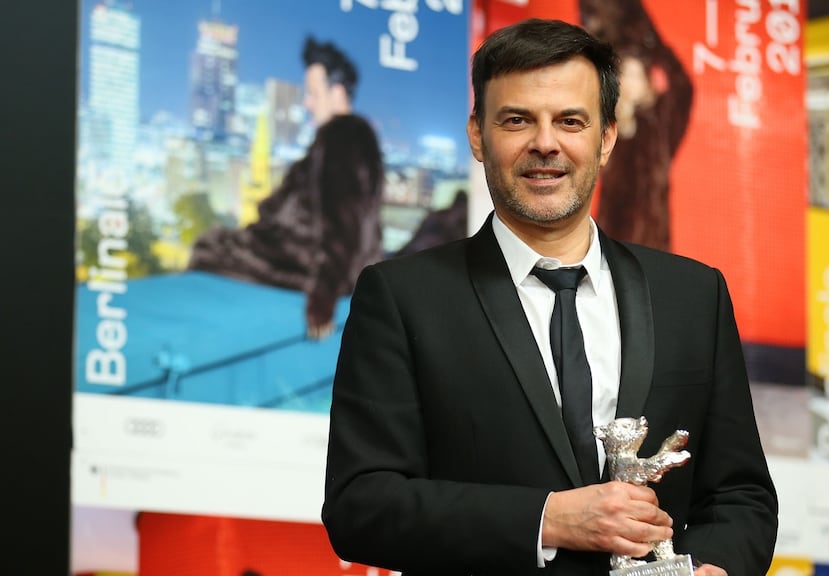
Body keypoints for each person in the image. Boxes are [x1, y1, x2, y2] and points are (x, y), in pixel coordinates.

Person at [322, 19, 777, 576]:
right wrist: (548, 520)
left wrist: (717, 568)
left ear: (606, 138)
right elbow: (360, 506)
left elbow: (742, 496)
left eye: (570, 121)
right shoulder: (400, 298)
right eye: (516, 120)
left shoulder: (693, 295)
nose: (545, 143)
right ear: (477, 135)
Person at [188, 36, 384, 340]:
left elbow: (343, 224)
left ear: (338, 92)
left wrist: (322, 302)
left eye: (313, 94)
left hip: (299, 265)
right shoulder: (351, 136)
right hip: (310, 264)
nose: (306, 103)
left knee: (209, 247)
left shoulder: (343, 136)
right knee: (214, 245)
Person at [579, 0, 694, 251]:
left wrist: (653, 43)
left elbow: (683, 85)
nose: (627, 82)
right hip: (609, 245)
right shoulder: (604, 124)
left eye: (634, 74)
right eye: (623, 75)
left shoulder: (661, 124)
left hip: (652, 246)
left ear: (647, 79)